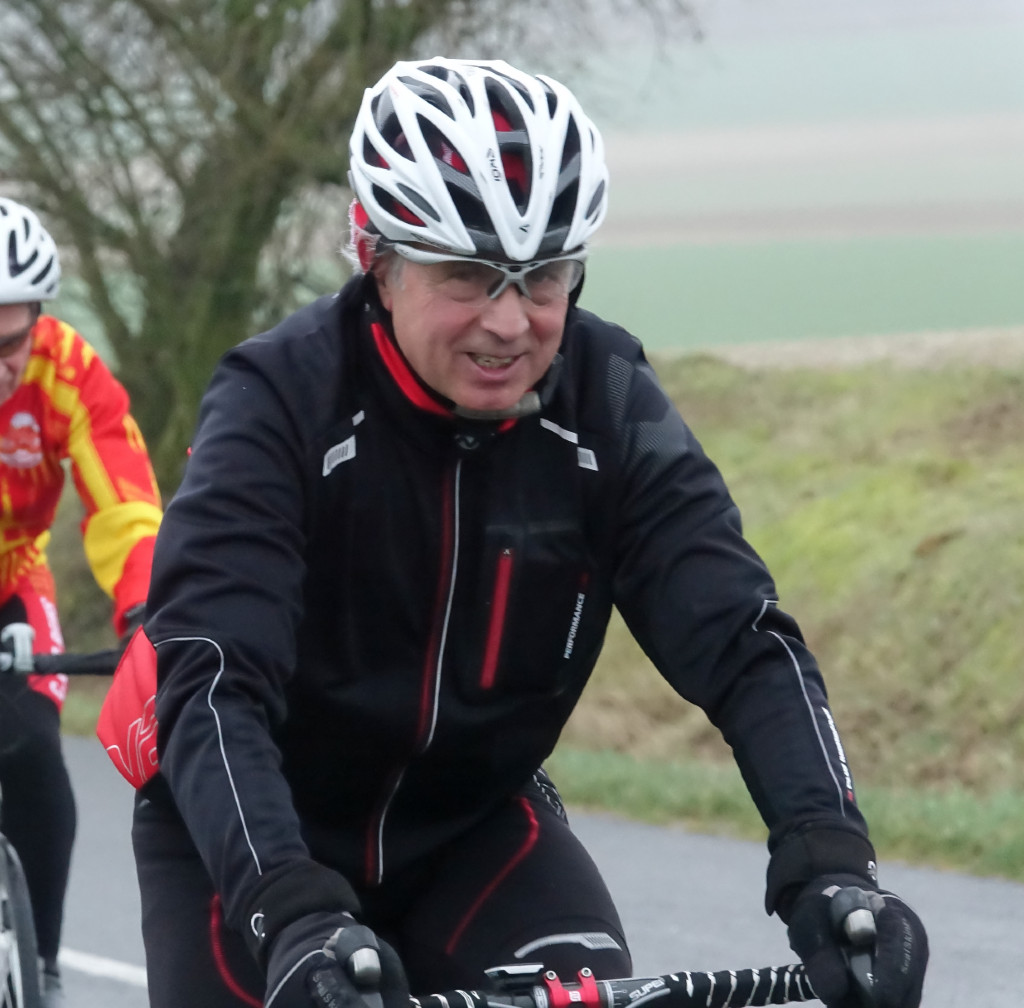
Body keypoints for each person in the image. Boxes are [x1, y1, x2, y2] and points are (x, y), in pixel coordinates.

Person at [98, 58, 928, 1008]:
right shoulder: (278, 401)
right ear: (377, 257)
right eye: (468, 275)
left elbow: (743, 641)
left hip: (473, 830)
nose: (508, 322)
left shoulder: (607, 398)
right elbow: (215, 683)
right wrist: (288, 910)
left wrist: (831, 865)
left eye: (542, 279)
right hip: (256, 835)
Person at [0, 196, 163, 1004]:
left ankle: (42, 966)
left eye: (9, 344)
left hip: (11, 578)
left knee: (33, 749)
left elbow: (124, 503)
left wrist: (147, 611)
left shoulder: (65, 371)